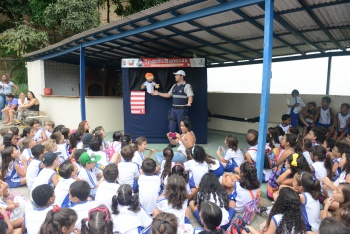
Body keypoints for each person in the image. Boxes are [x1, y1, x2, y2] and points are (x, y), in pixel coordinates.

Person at [151, 70, 194, 147]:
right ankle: (173, 142)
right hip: (173, 109)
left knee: (182, 127)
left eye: (177, 75)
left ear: (182, 76)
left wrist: (189, 102)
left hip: (182, 109)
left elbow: (190, 96)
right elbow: (168, 95)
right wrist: (158, 93)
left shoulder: (187, 86)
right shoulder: (174, 86)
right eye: (175, 75)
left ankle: (183, 142)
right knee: (172, 126)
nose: (175, 76)